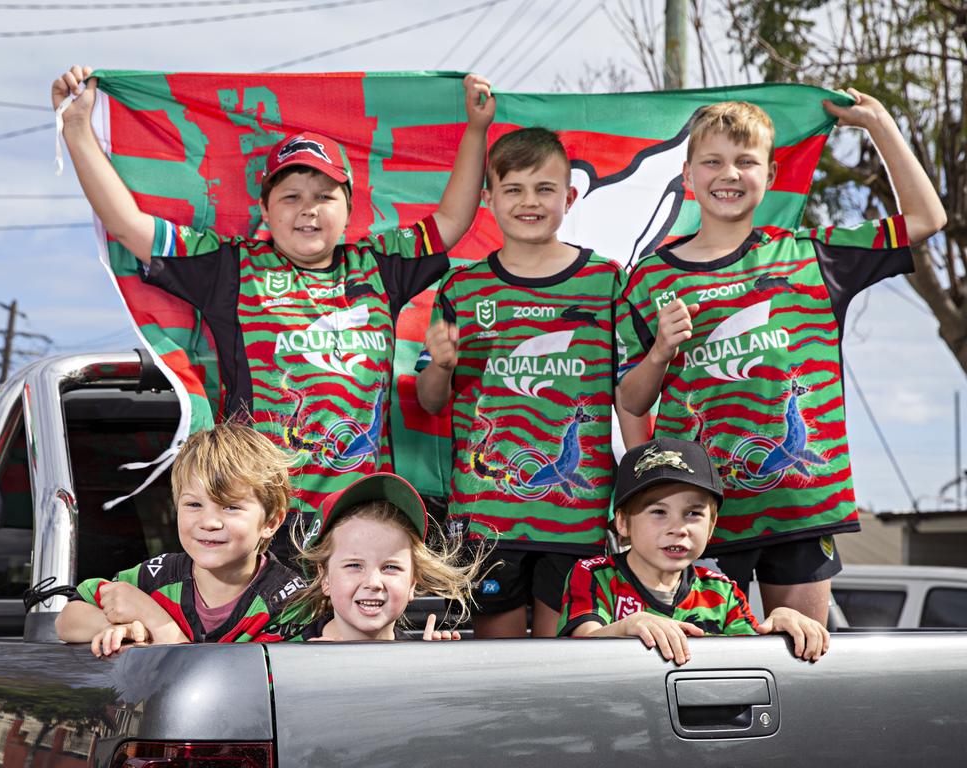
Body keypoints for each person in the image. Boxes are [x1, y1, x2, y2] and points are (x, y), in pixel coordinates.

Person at [50, 66, 495, 534]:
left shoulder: (381, 265)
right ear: (264, 209)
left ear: (349, 210)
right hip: (260, 516)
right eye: (290, 196)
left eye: (325, 195)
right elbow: (128, 226)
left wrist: (477, 129)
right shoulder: (230, 268)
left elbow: (452, 219)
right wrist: (78, 127)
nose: (308, 208)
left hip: (361, 513)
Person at [616, 91, 946, 624]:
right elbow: (631, 398)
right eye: (713, 161)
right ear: (687, 175)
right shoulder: (650, 278)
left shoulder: (810, 255)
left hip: (801, 511)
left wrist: (878, 124)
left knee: (801, 666)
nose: (729, 173)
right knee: (695, 679)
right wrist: (658, 351)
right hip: (699, 518)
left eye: (746, 161)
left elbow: (927, 218)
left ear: (770, 173)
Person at [416, 127, 636, 639]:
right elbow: (430, 402)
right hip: (486, 520)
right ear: (489, 198)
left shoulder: (606, 280)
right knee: (504, 670)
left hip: (576, 521)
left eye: (544, 189)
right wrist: (442, 366)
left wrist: (637, 489)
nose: (529, 202)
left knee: (569, 662)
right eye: (513, 189)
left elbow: (630, 395)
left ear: (570, 197)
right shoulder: (462, 287)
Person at [558, 437, 829, 664]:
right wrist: (627, 626)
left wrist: (780, 624)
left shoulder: (722, 592)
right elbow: (580, 647)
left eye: (693, 513)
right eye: (659, 512)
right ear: (623, 522)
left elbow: (749, 657)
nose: (678, 528)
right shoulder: (594, 575)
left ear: (711, 526)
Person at [55, 423, 307, 655]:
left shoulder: (289, 602)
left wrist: (155, 621)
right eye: (194, 504)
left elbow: (232, 692)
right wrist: (120, 627)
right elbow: (67, 619)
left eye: (230, 507)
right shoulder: (155, 577)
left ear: (271, 522)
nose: (209, 522)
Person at [288, 472, 480, 642]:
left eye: (391, 567)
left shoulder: (419, 661)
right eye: (354, 565)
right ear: (325, 578)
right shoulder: (283, 659)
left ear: (412, 584)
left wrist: (434, 673)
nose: (373, 583)